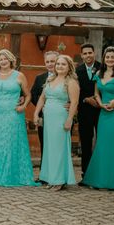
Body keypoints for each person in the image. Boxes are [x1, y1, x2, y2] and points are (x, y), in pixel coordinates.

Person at [0, 49, 37, 187]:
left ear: (11, 60)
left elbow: (28, 95)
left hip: (13, 114)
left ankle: (10, 175)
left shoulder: (19, 75)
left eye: (5, 59)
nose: (3, 61)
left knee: (10, 144)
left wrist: (23, 107)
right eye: (0, 59)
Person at [33, 55, 79, 190]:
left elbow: (74, 102)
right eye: (58, 64)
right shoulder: (50, 79)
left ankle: (59, 180)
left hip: (61, 118)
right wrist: (36, 113)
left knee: (59, 149)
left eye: (63, 64)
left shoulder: (71, 82)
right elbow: (42, 98)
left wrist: (69, 119)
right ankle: (50, 178)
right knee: (49, 149)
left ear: (69, 66)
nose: (59, 66)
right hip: (48, 119)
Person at [82, 47, 114, 190]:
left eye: (113, 57)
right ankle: (102, 179)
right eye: (107, 57)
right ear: (104, 59)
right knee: (103, 143)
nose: (110, 59)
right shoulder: (99, 74)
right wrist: (100, 105)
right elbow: (96, 93)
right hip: (104, 113)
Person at [76, 43, 102, 180]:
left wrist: (98, 100)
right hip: (84, 111)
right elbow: (74, 91)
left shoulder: (102, 68)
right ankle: (86, 174)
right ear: (82, 56)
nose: (88, 56)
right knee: (86, 143)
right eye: (85, 53)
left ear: (94, 53)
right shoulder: (77, 71)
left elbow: (107, 86)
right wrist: (86, 99)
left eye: (90, 53)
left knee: (102, 141)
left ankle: (100, 173)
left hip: (101, 111)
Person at [30, 51, 59, 159]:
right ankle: (44, 172)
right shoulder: (40, 78)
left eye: (53, 61)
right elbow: (33, 95)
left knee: (58, 145)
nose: (50, 64)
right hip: (44, 116)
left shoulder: (66, 77)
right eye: (47, 62)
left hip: (60, 116)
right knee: (44, 144)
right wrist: (41, 108)